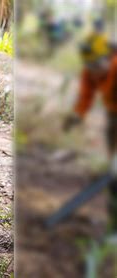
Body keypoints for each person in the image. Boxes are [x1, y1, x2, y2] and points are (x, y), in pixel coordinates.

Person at [64, 26, 117, 231]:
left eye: (96, 64)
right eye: (90, 65)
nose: (93, 70)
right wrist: (77, 116)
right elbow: (86, 95)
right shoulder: (91, 71)